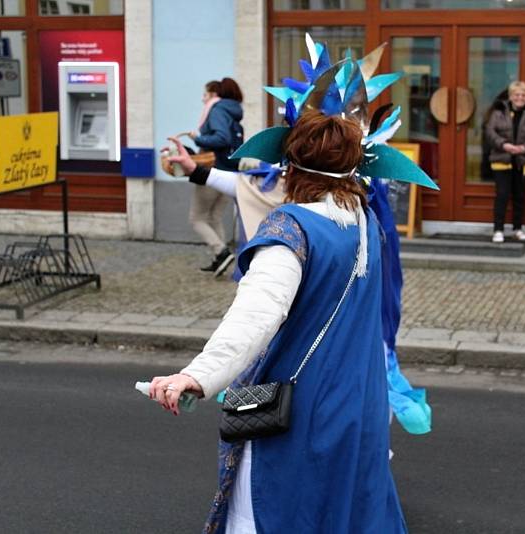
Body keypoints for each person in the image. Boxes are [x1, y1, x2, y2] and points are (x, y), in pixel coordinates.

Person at [149, 111, 408, 533]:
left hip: (307, 408)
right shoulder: (365, 222)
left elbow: (256, 315)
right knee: (349, 515)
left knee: (281, 512)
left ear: (291, 167)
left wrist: (197, 375)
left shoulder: (292, 228)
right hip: (361, 404)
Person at [187, 77, 244, 276]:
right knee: (214, 217)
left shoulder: (217, 110)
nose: (203, 99)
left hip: (213, 171)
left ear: (214, 94)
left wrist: (198, 138)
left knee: (196, 219)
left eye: (205, 94)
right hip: (230, 171)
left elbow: (222, 138)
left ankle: (220, 251)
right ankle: (220, 259)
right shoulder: (233, 112)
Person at [484, 80, 525, 243]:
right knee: (502, 195)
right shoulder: (499, 111)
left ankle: (518, 229)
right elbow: (490, 132)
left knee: (520, 196)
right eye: (517, 95)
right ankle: (498, 230)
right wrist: (504, 145)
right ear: (510, 96)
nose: (520, 98)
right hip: (502, 159)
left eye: (523, 95)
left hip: (522, 161)